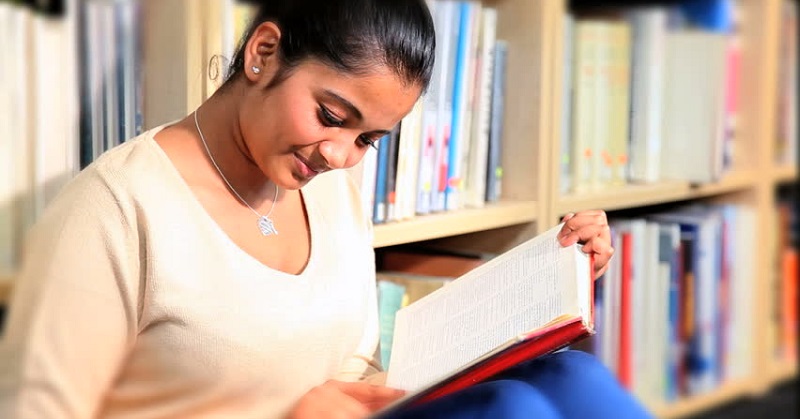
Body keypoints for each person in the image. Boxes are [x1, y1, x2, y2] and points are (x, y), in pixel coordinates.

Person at [0, 0, 650, 418]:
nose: (342, 156)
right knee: (516, 415)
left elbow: (354, 361)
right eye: (332, 117)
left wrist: (540, 288)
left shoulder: (327, 184)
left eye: (368, 138)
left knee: (567, 373)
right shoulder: (114, 209)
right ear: (263, 53)